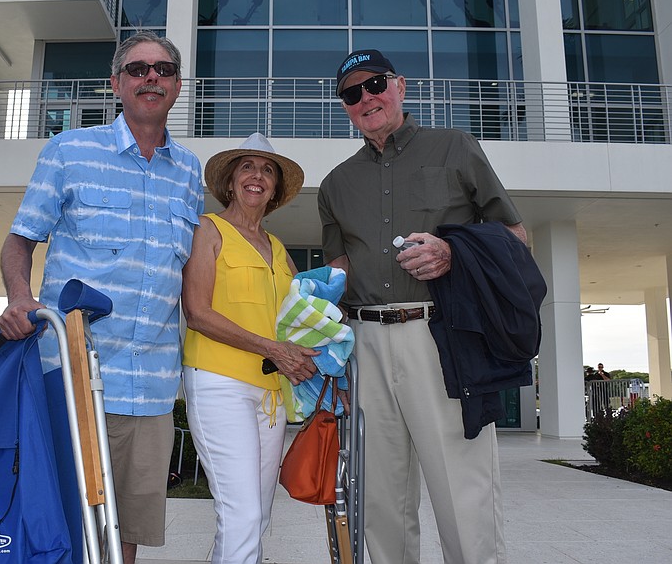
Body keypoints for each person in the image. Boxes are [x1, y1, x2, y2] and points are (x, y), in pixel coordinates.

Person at [0, 31, 204, 564]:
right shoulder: (69, 151)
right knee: (61, 521)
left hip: (153, 385)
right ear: (116, 84)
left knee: (124, 531)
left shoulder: (189, 173)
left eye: (162, 69)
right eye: (137, 69)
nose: (150, 77)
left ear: (178, 85)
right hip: (74, 375)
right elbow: (20, 238)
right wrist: (20, 297)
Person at [318, 49, 530, 564]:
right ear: (345, 107)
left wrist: (454, 251)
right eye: (352, 93)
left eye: (375, 85)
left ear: (400, 86)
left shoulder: (456, 147)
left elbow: (516, 237)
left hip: (442, 336)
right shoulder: (334, 185)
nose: (366, 98)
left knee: (463, 487)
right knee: (380, 498)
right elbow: (337, 272)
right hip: (364, 343)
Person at [181, 133, 319, 563]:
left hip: (271, 396)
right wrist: (272, 348)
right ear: (230, 181)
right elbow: (198, 312)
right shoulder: (208, 229)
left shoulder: (278, 249)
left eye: (267, 170)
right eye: (247, 167)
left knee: (255, 516)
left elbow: (303, 316)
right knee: (241, 513)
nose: (257, 176)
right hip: (219, 384)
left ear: (275, 188)